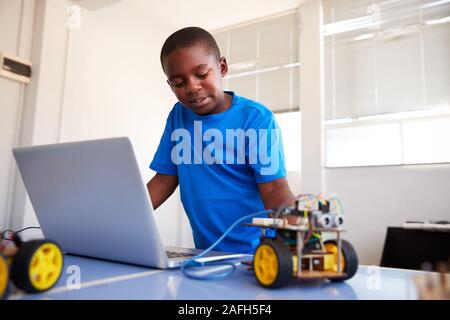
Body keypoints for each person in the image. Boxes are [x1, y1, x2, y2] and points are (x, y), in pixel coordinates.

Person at [147, 26, 294, 254]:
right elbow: (164, 180)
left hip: (258, 253)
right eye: (179, 82)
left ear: (222, 67)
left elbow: (274, 187)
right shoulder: (178, 116)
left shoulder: (255, 118)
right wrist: (122, 217)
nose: (192, 87)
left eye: (201, 74)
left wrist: (295, 232)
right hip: (207, 254)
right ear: (170, 85)